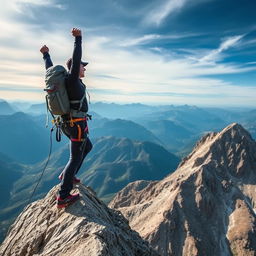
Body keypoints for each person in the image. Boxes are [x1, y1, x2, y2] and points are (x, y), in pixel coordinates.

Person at [40, 28, 93, 208]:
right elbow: (76, 57)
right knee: (75, 157)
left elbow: (50, 71)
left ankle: (67, 175)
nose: (84, 67)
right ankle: (63, 195)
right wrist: (78, 39)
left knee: (87, 147)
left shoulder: (64, 83)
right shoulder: (72, 81)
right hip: (77, 125)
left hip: (67, 124)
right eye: (82, 65)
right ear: (75, 67)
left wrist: (46, 55)